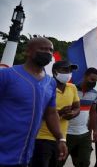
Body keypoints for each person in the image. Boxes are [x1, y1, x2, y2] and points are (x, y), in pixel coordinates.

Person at [0, 37, 67, 166]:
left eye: (50, 50)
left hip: (25, 156)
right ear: (28, 52)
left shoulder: (51, 83)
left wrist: (61, 138)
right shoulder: (6, 75)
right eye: (42, 49)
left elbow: (51, 113)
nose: (47, 52)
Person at [32, 61, 80, 167]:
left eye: (70, 70)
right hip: (42, 137)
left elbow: (77, 107)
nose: (68, 73)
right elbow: (36, 112)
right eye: (65, 70)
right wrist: (60, 113)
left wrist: (72, 113)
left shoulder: (72, 87)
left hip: (60, 138)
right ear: (55, 72)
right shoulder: (44, 87)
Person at [60, 67, 97, 167]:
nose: (94, 82)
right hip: (66, 133)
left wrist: (95, 130)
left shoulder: (95, 94)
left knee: (84, 163)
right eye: (92, 79)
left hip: (84, 135)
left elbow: (93, 112)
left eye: (96, 81)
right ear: (85, 76)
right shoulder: (69, 89)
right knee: (58, 161)